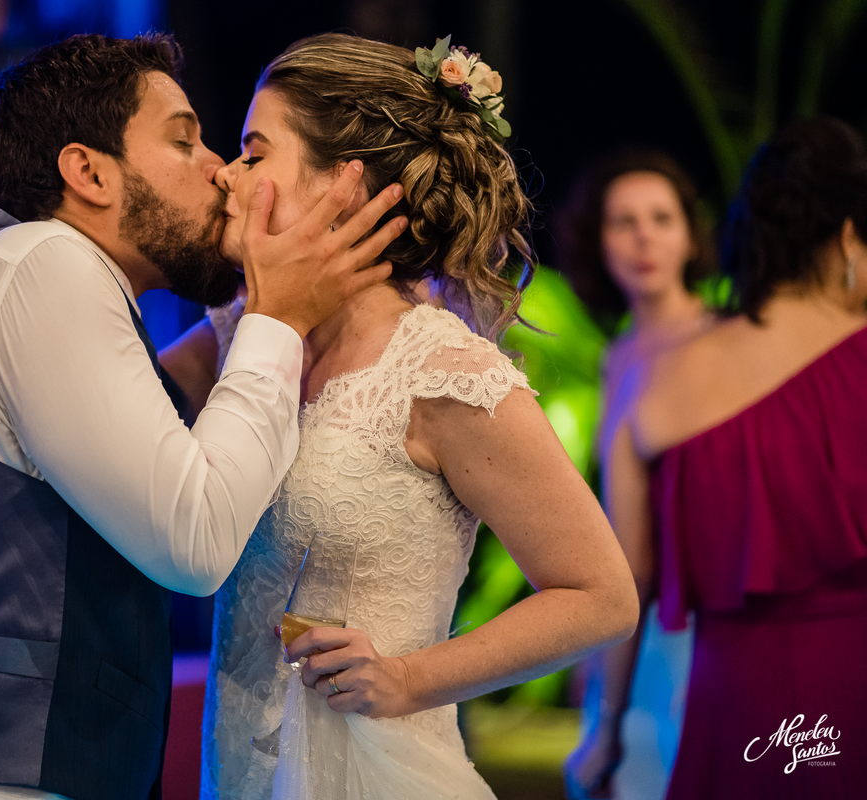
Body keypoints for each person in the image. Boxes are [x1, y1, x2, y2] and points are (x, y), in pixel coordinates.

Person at [0, 33, 407, 800]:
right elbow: (194, 538)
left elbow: (142, 443)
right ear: (89, 173)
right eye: (184, 140)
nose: (219, 168)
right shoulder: (44, 263)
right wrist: (278, 316)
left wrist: (282, 297)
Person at [194, 33, 639, 799]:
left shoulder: (445, 372)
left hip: (375, 771)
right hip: (241, 769)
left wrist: (407, 678)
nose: (227, 176)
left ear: (344, 184)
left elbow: (602, 597)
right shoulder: (245, 332)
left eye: (253, 152)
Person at [596, 116, 867, 799]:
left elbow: (627, 576)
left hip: (734, 705)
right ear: (846, 237)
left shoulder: (649, 380)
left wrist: (606, 732)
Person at [558, 149, 715, 799]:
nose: (644, 236)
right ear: (598, 241)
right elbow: (625, 539)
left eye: (661, 218)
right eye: (623, 221)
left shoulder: (727, 342)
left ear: (690, 237)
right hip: (636, 625)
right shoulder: (618, 355)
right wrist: (596, 655)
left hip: (705, 627)